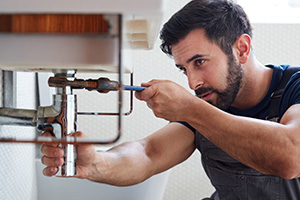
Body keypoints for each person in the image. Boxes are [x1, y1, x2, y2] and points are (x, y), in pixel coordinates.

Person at [41, 0, 300, 199]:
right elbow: (148, 153)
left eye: (200, 62)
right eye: (184, 69)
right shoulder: (209, 103)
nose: (192, 83)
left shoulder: (294, 86)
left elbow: (292, 156)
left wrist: (190, 108)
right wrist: (97, 162)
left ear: (241, 48)